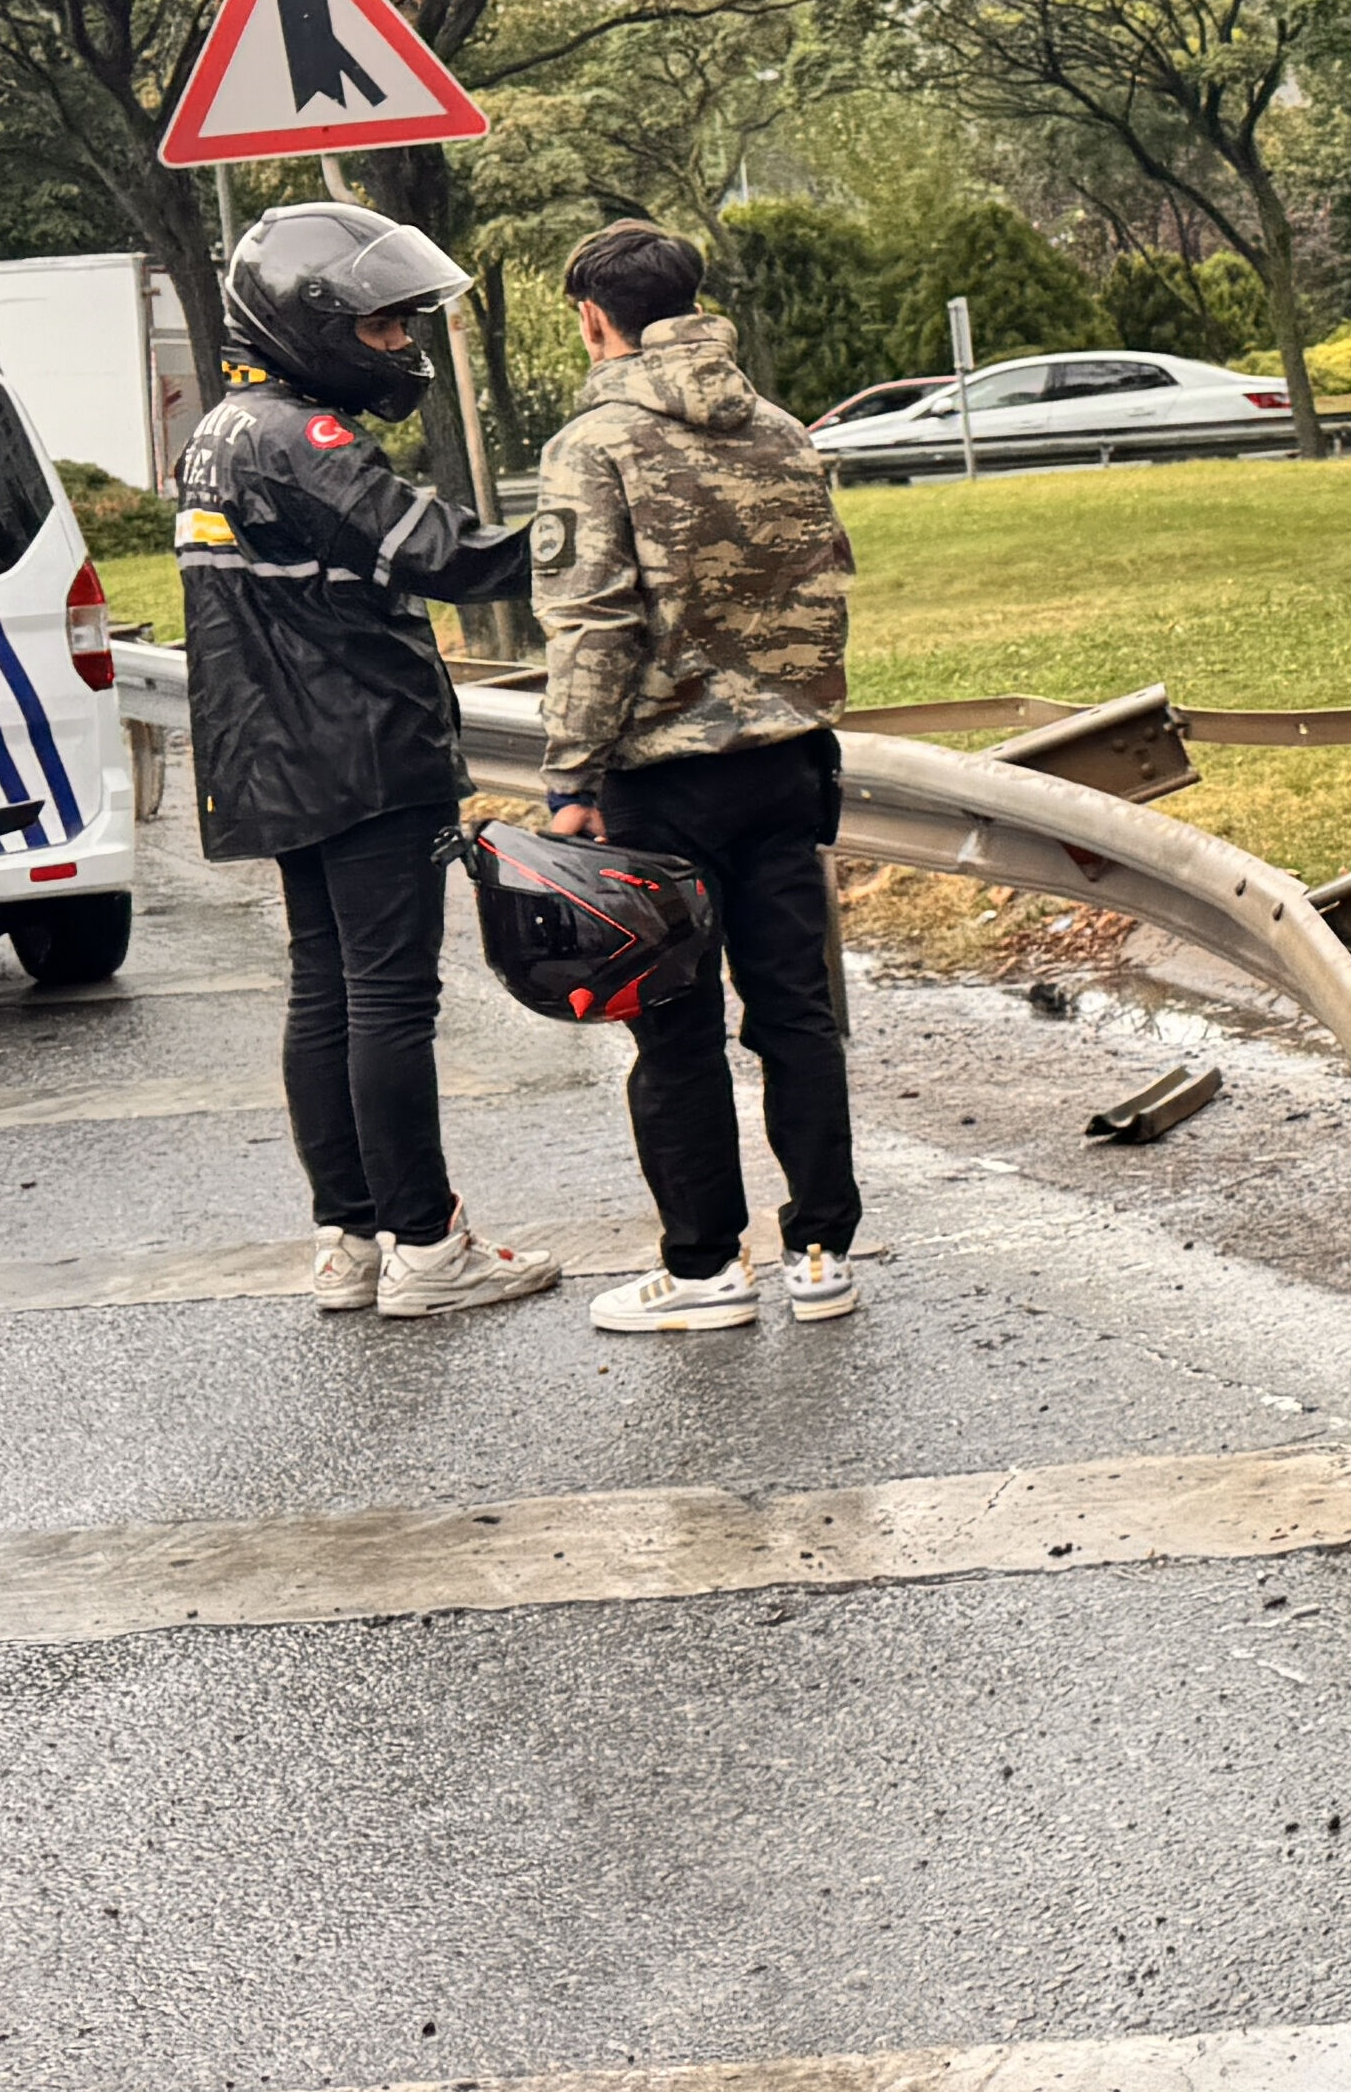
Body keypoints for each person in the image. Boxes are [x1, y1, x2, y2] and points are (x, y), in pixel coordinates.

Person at [176, 202, 561, 1321]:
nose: (401, 349)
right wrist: (597, 531)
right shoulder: (305, 439)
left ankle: (348, 1237)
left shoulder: (219, 432)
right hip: (361, 752)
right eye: (384, 330)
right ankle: (429, 1245)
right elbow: (444, 555)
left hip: (271, 754)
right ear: (315, 323)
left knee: (324, 992)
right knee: (389, 998)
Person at [531, 221, 865, 1336]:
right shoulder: (778, 427)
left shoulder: (598, 440)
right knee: (796, 1012)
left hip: (662, 780)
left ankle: (706, 1267)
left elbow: (591, 623)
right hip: (788, 763)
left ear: (593, 318)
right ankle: (821, 1252)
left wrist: (571, 777)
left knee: (673, 1031)